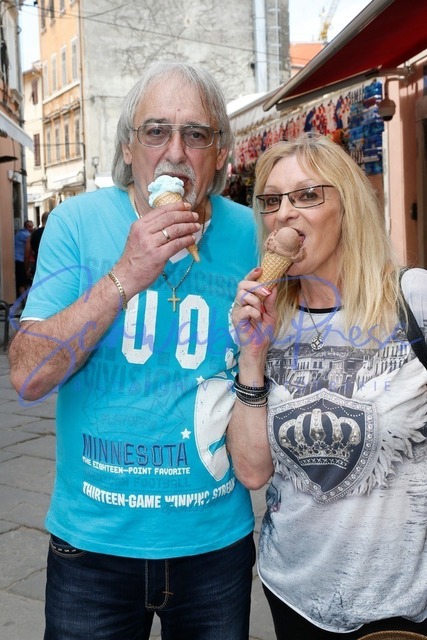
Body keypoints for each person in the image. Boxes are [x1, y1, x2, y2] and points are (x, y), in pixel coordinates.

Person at [8, 61, 258, 640]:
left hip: (213, 545)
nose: (175, 152)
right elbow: (27, 375)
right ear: (128, 147)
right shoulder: (75, 223)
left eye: (196, 134)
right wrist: (126, 274)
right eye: (155, 131)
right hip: (92, 547)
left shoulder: (252, 234)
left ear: (220, 153)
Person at [227, 133, 427, 639]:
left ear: (348, 207)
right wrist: (251, 356)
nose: (284, 214)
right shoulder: (265, 322)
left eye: (307, 195)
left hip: (401, 603)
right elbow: (252, 472)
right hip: (292, 592)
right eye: (272, 200)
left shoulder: (413, 299)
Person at [24, 211, 50, 283]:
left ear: (42, 220)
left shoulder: (33, 234)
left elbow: (27, 255)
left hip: (38, 269)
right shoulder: (57, 233)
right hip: (55, 269)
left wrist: (26, 270)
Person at [14, 219, 34, 298]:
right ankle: (24, 302)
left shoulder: (21, 233)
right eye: (29, 227)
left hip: (22, 260)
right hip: (20, 261)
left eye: (32, 227)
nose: (31, 228)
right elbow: (31, 238)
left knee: (24, 283)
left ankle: (24, 301)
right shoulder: (23, 234)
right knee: (22, 283)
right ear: (25, 227)